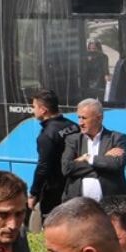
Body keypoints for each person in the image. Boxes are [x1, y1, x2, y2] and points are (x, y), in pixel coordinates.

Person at [61, 98, 126, 202]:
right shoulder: (73, 140)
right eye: (79, 117)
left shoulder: (117, 138)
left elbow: (117, 164)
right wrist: (104, 162)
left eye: (84, 118)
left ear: (99, 118)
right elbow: (67, 168)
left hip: (111, 204)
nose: (80, 123)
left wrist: (88, 158)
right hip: (77, 204)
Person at [29, 89, 79, 218]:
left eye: (34, 107)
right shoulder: (73, 125)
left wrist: (34, 193)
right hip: (74, 185)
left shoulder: (46, 135)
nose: (32, 110)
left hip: (55, 191)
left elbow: (43, 167)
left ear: (43, 110)